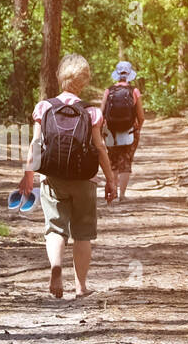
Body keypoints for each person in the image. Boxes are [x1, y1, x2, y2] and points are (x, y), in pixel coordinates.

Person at [18, 54, 117, 299]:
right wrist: (111, 179)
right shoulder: (91, 112)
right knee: (82, 234)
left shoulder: (44, 107)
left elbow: (36, 143)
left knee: (54, 229)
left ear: (60, 77)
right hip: (85, 180)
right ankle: (81, 287)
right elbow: (100, 148)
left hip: (52, 178)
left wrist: (28, 175)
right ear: (84, 81)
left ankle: (55, 267)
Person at [102, 60, 145, 203]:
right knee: (125, 162)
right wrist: (138, 128)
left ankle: (113, 192)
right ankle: (122, 195)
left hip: (111, 132)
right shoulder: (134, 91)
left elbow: (101, 113)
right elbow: (141, 116)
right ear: (129, 75)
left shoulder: (108, 91)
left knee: (113, 161)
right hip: (129, 132)